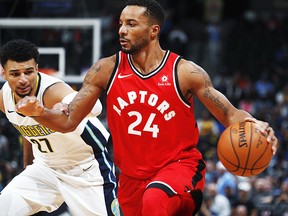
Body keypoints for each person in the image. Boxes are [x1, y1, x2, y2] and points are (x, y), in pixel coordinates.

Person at [16, 0, 278, 215]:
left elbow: (231, 114)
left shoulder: (184, 72)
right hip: (130, 179)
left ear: (153, 30)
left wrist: (254, 124)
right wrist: (40, 113)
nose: (122, 30)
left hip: (179, 169)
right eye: (120, 23)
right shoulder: (105, 69)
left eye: (131, 24)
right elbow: (69, 120)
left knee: (155, 200)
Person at [0, 39, 120, 216]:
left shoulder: (53, 91)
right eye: (15, 74)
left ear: (37, 69)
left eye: (28, 72)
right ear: (4, 73)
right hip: (46, 167)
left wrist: (65, 107)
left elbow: (96, 108)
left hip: (85, 168)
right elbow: (25, 128)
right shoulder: (4, 98)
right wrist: (28, 165)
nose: (23, 79)